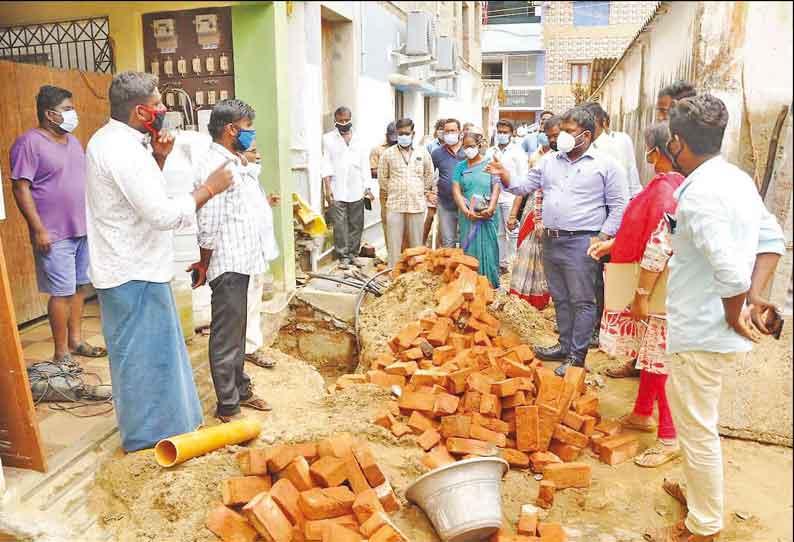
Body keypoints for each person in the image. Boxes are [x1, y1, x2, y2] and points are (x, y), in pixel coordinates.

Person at [643, 95, 785, 542]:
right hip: (709, 327)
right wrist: (756, 296)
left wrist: (734, 312)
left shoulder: (700, 195)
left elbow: (727, 269)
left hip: (702, 331)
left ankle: (703, 526)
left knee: (697, 429)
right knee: (695, 420)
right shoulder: (735, 179)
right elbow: (772, 238)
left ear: (678, 143)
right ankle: (699, 497)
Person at [85, 71, 234, 451]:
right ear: (140, 111)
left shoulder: (125, 144)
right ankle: (148, 438)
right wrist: (208, 189)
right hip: (130, 271)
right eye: (156, 103)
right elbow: (162, 214)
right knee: (141, 361)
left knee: (159, 357)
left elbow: (139, 197)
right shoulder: (118, 149)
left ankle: (169, 428)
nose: (163, 108)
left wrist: (159, 159)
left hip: (139, 265)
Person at [487, 107, 628, 376]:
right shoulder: (549, 161)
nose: (561, 136)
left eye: (569, 131)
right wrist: (504, 175)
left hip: (583, 241)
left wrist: (601, 238)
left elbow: (619, 205)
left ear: (586, 135)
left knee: (583, 301)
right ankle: (564, 346)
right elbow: (522, 186)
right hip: (552, 241)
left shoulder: (606, 165)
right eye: (561, 131)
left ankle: (577, 357)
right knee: (561, 298)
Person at [588, 122, 685, 467]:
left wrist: (642, 293)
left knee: (658, 359)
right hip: (656, 283)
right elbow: (641, 229)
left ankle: (669, 436)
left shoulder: (666, 190)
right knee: (649, 356)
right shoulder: (670, 186)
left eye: (649, 148)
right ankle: (643, 413)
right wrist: (613, 244)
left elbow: (658, 244)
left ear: (658, 151)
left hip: (658, 287)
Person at [188, 99, 272, 422]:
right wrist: (204, 263)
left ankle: (241, 388)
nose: (251, 135)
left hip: (243, 259)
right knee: (226, 335)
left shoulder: (234, 161)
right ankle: (227, 404)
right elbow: (208, 223)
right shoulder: (216, 166)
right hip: (227, 263)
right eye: (248, 129)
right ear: (231, 130)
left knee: (238, 331)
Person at [10, 85, 106, 366]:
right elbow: (20, 188)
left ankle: (76, 341)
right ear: (50, 114)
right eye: (67, 109)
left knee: (78, 288)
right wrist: (38, 229)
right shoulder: (29, 143)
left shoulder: (73, 142)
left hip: (80, 228)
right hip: (52, 233)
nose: (72, 114)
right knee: (61, 292)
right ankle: (61, 352)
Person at [509, 116, 562, 310]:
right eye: (549, 136)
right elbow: (526, 187)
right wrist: (516, 213)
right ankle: (523, 299)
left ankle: (544, 298)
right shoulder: (539, 158)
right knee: (527, 250)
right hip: (534, 211)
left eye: (556, 135)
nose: (553, 140)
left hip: (557, 219)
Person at [239, 138, 280, 370]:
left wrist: (266, 202)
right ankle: (249, 348)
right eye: (254, 151)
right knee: (248, 301)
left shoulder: (251, 177)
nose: (259, 155)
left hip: (257, 251)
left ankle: (250, 345)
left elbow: (251, 207)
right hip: (247, 252)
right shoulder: (240, 178)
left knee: (253, 299)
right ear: (242, 155)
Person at [321, 106, 374, 269]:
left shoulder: (360, 139)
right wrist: (327, 188)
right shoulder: (328, 139)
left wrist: (368, 187)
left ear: (351, 119)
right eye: (340, 120)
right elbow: (326, 163)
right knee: (339, 224)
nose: (344, 123)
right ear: (335, 121)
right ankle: (343, 255)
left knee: (356, 223)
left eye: (346, 120)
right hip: (337, 188)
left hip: (357, 187)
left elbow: (365, 164)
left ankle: (353, 254)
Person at [377, 118, 434, 269]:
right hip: (395, 204)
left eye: (406, 133)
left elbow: (429, 175)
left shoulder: (422, 153)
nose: (403, 136)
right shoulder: (388, 154)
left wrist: (420, 191)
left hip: (416, 204)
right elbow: (382, 178)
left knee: (416, 244)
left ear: (413, 134)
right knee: (394, 243)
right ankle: (393, 274)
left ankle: (415, 276)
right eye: (400, 133)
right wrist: (394, 190)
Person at [453, 131, 501, 288]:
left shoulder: (489, 164)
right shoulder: (460, 167)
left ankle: (490, 285)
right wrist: (465, 210)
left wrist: (492, 207)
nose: (468, 149)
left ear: (479, 146)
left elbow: (496, 187)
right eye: (465, 146)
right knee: (469, 249)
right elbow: (456, 191)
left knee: (489, 249)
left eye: (471, 146)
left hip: (488, 215)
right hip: (468, 215)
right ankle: (469, 285)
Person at [485, 119, 528, 274]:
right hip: (495, 198)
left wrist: (515, 210)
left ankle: (516, 265)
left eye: (505, 132)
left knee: (513, 233)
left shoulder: (518, 152)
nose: (502, 135)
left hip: (511, 198)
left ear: (511, 133)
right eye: (500, 131)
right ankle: (502, 264)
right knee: (498, 234)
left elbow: (523, 181)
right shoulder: (490, 151)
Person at [431, 118, 466, 248]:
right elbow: (429, 175)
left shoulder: (468, 151)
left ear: (460, 132)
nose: (450, 134)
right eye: (447, 131)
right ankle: (449, 267)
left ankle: (463, 267)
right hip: (445, 203)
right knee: (448, 241)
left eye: (453, 130)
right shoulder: (437, 153)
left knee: (466, 241)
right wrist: (429, 193)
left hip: (466, 203)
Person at [370, 121, 398, 252]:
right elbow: (372, 171)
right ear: (387, 135)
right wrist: (387, 171)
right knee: (388, 223)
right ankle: (391, 253)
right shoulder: (378, 150)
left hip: (405, 193)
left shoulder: (407, 148)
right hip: (386, 192)